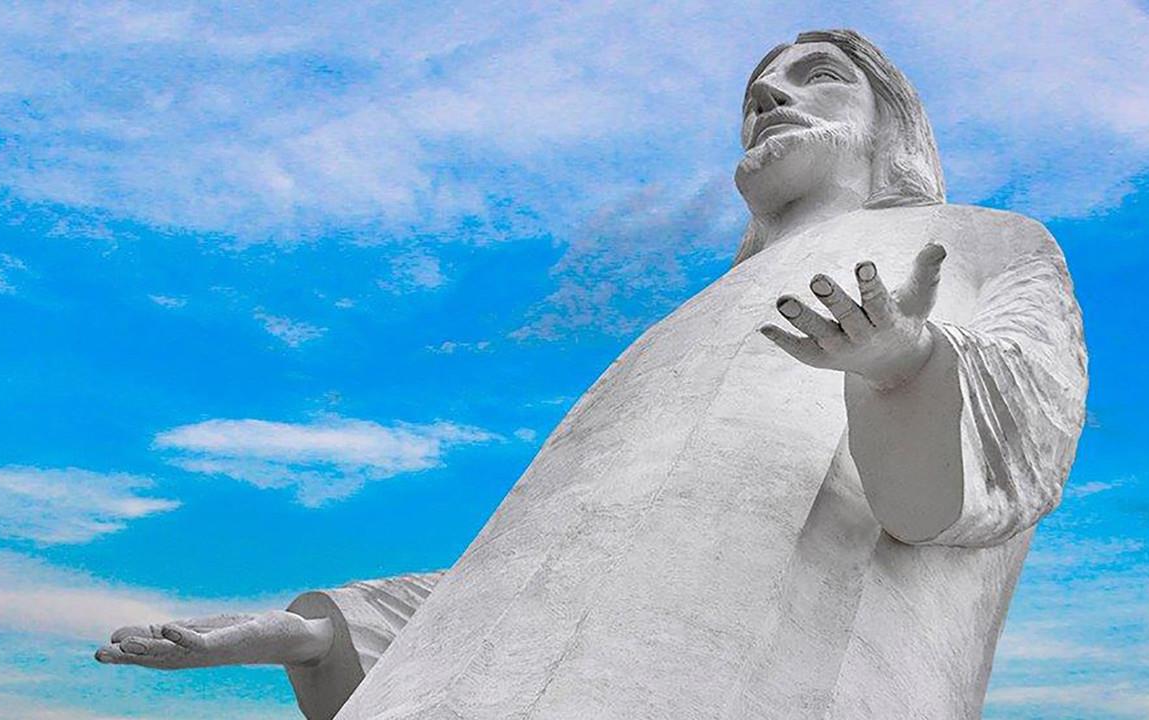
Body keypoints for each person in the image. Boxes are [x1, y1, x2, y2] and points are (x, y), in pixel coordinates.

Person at [97, 29, 1087, 720]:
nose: (769, 101)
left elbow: (990, 475)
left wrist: (905, 368)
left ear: (889, 125)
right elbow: (561, 563)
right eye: (754, 96)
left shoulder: (981, 244)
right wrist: (311, 634)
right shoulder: (684, 322)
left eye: (817, 78)